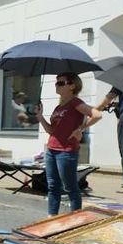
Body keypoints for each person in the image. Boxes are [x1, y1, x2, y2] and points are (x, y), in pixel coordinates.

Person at [38, 73, 102, 214]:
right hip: (51, 149)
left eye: (61, 83)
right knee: (53, 186)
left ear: (72, 86)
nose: (56, 85)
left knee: (70, 187)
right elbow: (51, 131)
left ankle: (75, 218)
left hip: (66, 151)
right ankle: (52, 217)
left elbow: (97, 115)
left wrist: (81, 129)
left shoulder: (75, 103)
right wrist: (40, 117)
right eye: (56, 83)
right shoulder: (59, 107)